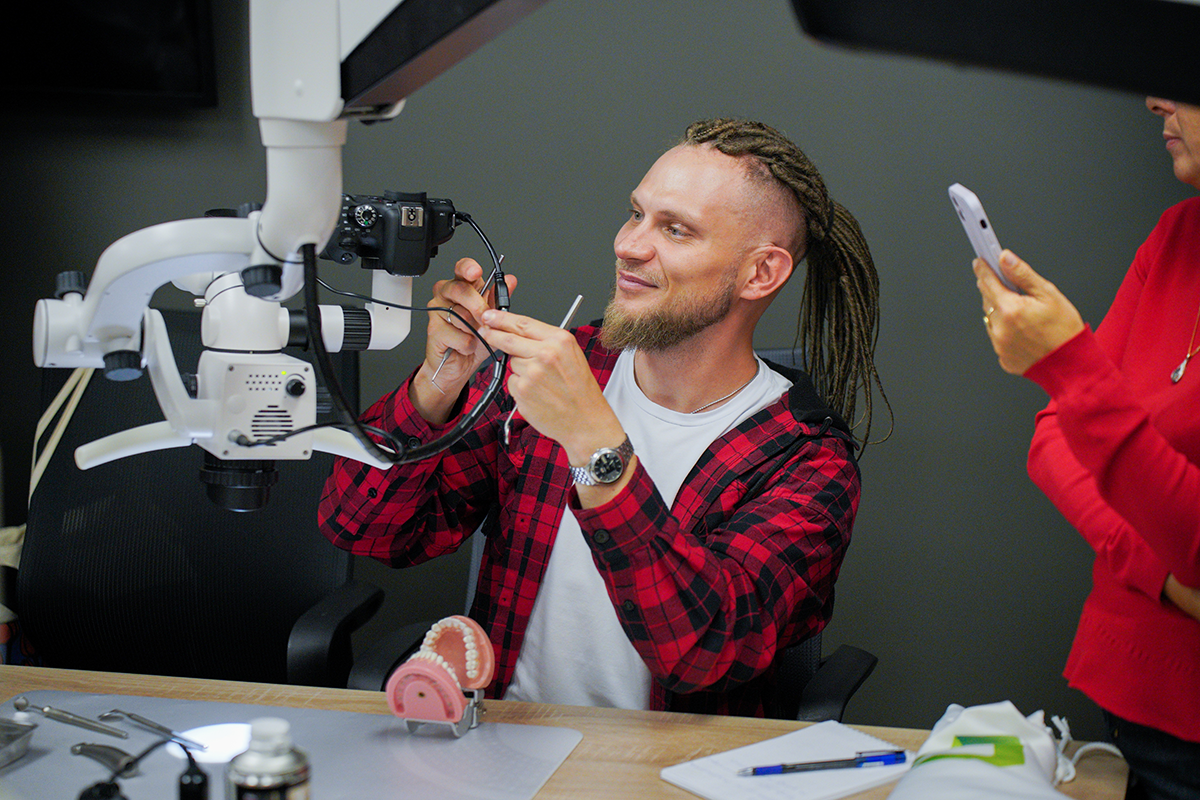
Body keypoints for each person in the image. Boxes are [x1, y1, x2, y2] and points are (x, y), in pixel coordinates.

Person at [319, 118, 888, 717]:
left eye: (676, 229)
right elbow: (364, 529)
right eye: (636, 214)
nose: (629, 245)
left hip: (673, 762)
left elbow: (705, 651)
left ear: (760, 273)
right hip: (505, 740)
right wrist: (439, 382)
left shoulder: (805, 458)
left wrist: (593, 442)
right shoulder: (561, 371)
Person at [974, 97, 1200, 800]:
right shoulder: (1179, 233)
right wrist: (1161, 577)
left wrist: (1069, 367)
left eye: (1184, 73)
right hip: (1132, 692)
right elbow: (1055, 437)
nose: (1154, 98)